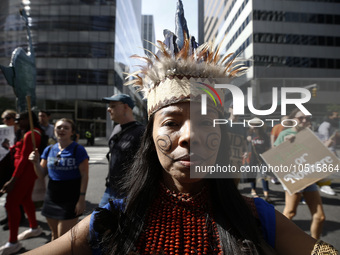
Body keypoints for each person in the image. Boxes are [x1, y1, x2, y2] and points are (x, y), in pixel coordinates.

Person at [28, 118, 89, 241]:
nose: (62, 130)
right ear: (54, 130)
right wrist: (35, 163)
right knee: (54, 236)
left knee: (63, 239)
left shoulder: (78, 149)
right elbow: (41, 174)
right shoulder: (49, 149)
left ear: (72, 132)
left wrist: (81, 199)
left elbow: (84, 175)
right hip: (51, 197)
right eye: (59, 127)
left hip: (71, 198)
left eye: (66, 128)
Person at [274, 108, 326, 240]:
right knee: (290, 212)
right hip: (293, 177)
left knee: (319, 217)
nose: (304, 120)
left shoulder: (309, 134)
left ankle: (314, 245)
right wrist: (285, 144)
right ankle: (276, 241)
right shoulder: (285, 133)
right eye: (301, 118)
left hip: (309, 176)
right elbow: (274, 156)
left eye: (307, 118)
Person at [0, 112, 43, 255]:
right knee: (25, 200)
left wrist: (13, 180)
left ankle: (13, 242)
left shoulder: (31, 134)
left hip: (23, 174)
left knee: (11, 204)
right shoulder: (26, 133)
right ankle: (34, 227)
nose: (17, 122)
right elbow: (19, 151)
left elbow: (25, 158)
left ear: (28, 120)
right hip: (24, 173)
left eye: (20, 119)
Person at [99, 94, 144, 207]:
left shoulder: (141, 132)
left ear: (125, 107)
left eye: (113, 106)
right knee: (96, 222)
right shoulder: (116, 128)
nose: (108, 109)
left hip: (128, 192)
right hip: (110, 189)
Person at [246, 118, 271, 202]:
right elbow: (245, 146)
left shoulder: (264, 135)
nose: (253, 126)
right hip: (252, 157)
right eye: (252, 124)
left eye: (255, 125)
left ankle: (266, 193)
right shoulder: (249, 134)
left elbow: (267, 147)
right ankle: (253, 190)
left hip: (263, 158)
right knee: (252, 174)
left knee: (264, 175)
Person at [316, 111, 339, 196]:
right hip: (328, 149)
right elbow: (325, 140)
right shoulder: (325, 125)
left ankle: (323, 183)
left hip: (331, 149)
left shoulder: (330, 124)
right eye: (336, 115)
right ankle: (324, 184)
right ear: (330, 116)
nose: (338, 116)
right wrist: (330, 150)